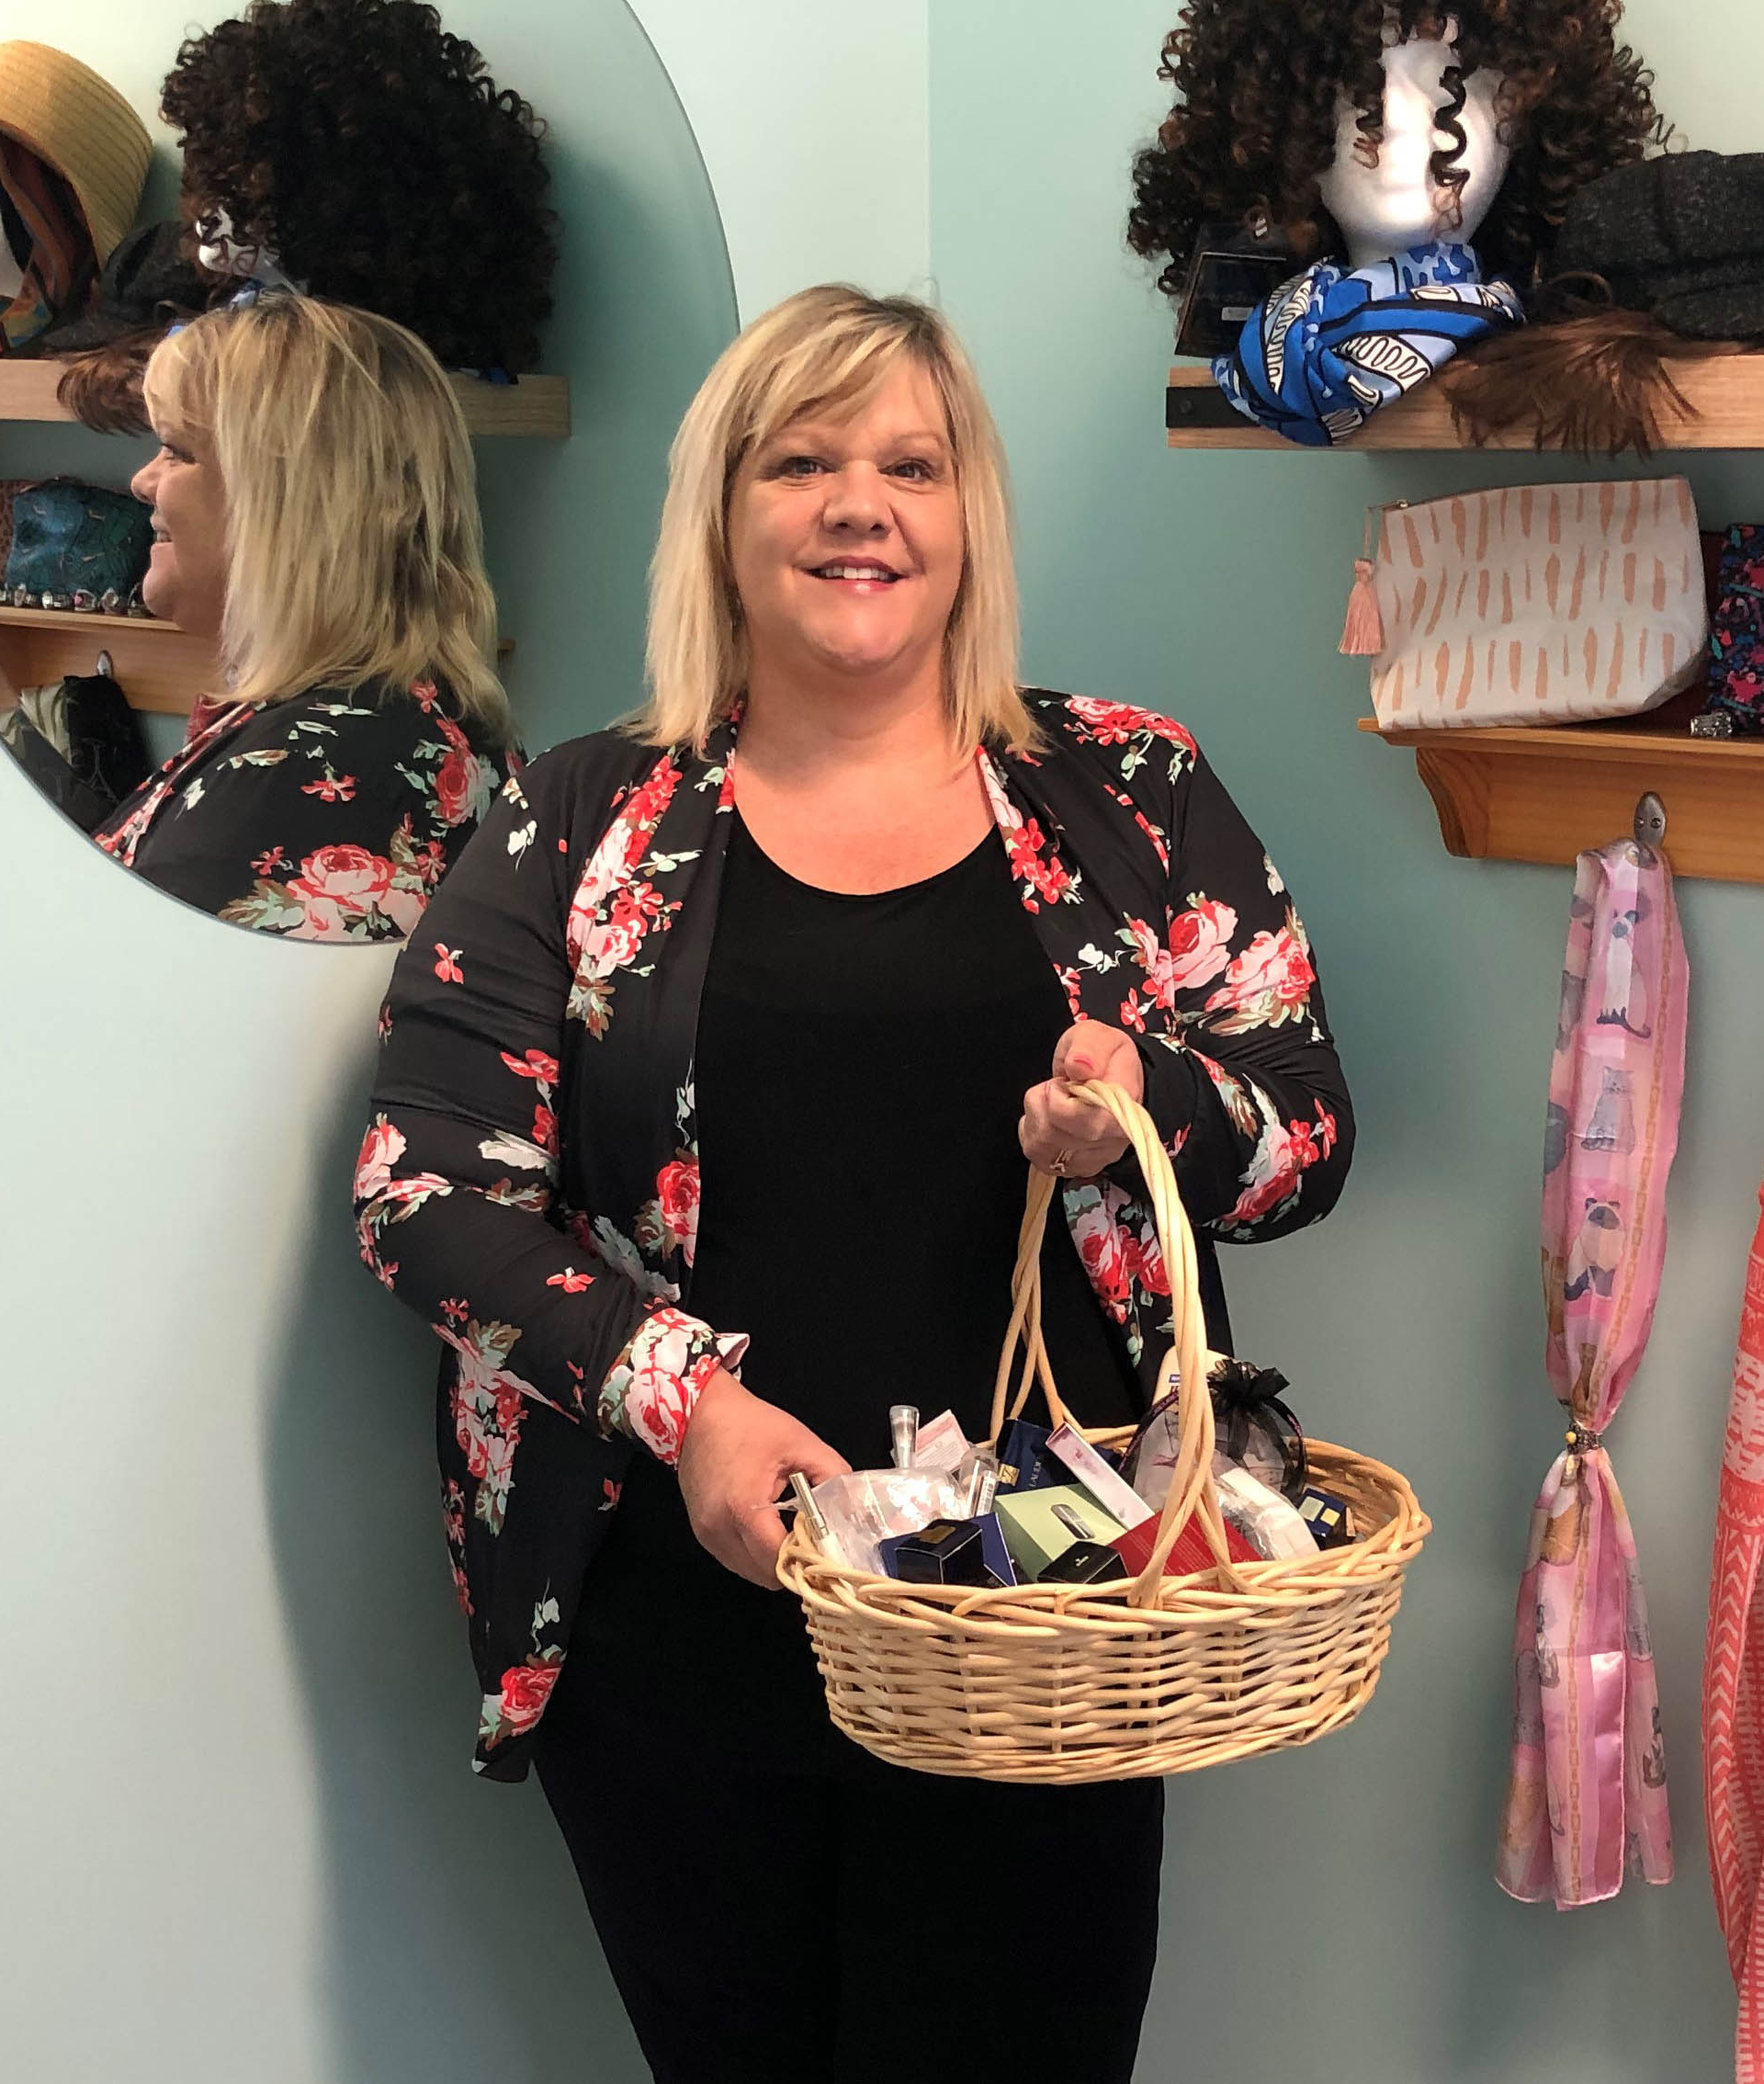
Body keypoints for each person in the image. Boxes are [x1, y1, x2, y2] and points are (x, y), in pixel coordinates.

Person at [351, 286, 1351, 2081]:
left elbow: (1304, 1135)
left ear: (970, 516)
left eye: (910, 463)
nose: (857, 506)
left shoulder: (1127, 789)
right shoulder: (576, 817)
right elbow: (422, 1189)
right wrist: (688, 1406)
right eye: (799, 462)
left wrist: (1149, 1111)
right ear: (723, 518)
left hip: (1043, 1619)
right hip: (678, 1618)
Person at [81, 293, 510, 941]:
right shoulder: (403, 727)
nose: (143, 480)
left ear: (285, 503)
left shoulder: (308, 780)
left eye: (177, 450)